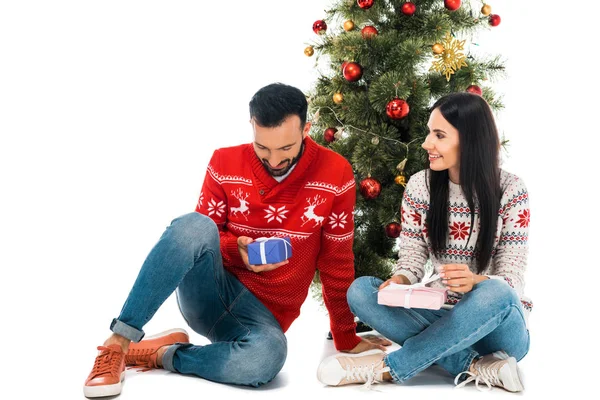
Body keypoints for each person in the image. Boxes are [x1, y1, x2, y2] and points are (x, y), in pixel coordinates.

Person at [83, 83, 390, 398]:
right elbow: (198, 240)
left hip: (263, 319)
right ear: (252, 128)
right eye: (263, 147)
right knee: (194, 224)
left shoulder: (334, 172)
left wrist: (345, 335)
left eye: (285, 148)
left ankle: (163, 354)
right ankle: (118, 344)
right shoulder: (224, 162)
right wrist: (235, 249)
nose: (273, 160)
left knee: (266, 360)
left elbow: (336, 260)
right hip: (210, 293)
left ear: (306, 129)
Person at [317, 92, 532, 392]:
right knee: (361, 291)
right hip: (439, 312)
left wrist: (476, 282)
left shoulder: (511, 190)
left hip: (498, 324)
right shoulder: (421, 185)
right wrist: (399, 280)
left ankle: (385, 368)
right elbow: (412, 259)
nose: (426, 144)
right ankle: (475, 366)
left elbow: (513, 277)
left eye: (439, 135)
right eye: (429, 132)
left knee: (496, 290)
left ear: (469, 139)